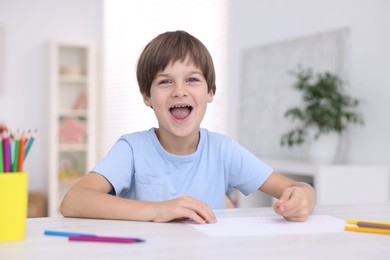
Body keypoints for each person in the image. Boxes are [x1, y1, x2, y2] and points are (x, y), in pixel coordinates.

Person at [60, 30, 316, 224]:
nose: (179, 91)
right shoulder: (132, 149)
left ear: (210, 92)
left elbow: (299, 189)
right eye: (165, 82)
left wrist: (303, 200)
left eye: (192, 80)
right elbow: (73, 201)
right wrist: (158, 209)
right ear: (147, 97)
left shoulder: (223, 150)